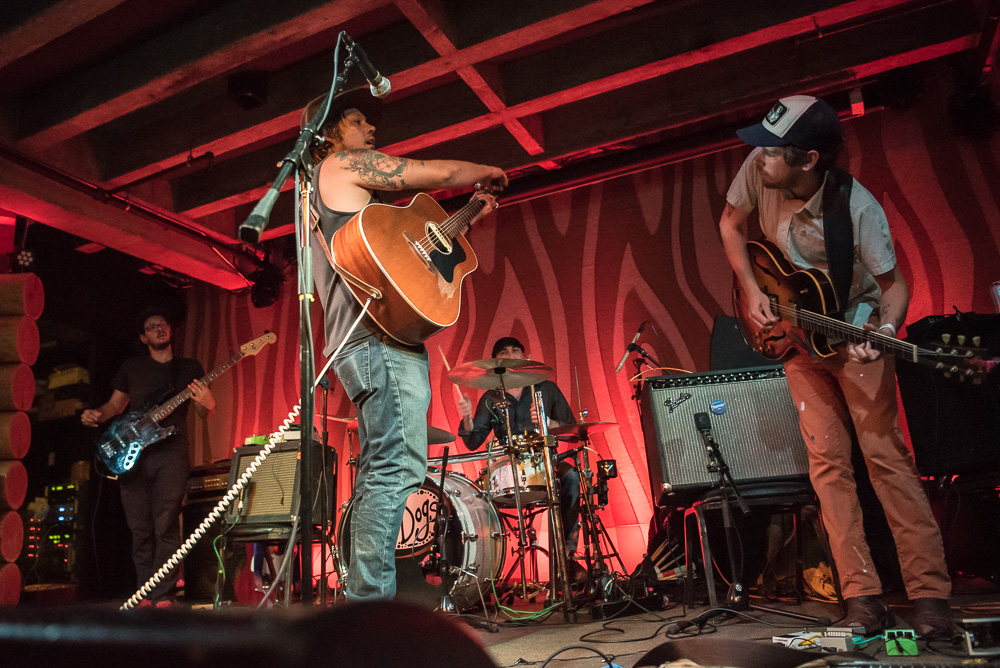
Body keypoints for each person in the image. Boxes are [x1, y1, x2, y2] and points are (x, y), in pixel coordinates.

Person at [718, 95, 952, 637]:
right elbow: (732, 225)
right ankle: (862, 596)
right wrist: (753, 291)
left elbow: (895, 287)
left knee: (885, 460)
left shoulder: (858, 208)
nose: (758, 157)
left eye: (773, 151)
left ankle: (930, 594)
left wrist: (885, 333)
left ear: (809, 159)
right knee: (828, 468)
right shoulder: (760, 166)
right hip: (796, 339)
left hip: (852, 331)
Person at [304, 87, 506, 601]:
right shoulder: (339, 165)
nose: (371, 130)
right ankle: (368, 611)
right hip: (378, 341)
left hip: (365, 344)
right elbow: (430, 174)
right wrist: (484, 168)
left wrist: (467, 215)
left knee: (386, 469)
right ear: (330, 132)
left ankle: (365, 608)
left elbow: (406, 252)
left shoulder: (320, 200)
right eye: (357, 120)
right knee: (394, 471)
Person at [81, 308, 215, 606]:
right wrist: (96, 415)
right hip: (133, 454)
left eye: (164, 324)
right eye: (152, 327)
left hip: (171, 454)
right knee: (139, 528)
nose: (160, 329)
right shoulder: (132, 367)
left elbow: (204, 411)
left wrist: (208, 401)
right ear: (143, 337)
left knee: (166, 524)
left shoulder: (189, 366)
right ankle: (144, 593)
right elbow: (115, 407)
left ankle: (164, 594)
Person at [456, 336, 584, 580]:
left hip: (546, 462)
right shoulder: (490, 398)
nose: (511, 354)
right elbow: (473, 442)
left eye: (516, 350)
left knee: (571, 477)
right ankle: (482, 572)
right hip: (508, 468)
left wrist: (549, 423)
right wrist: (467, 420)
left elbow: (573, 432)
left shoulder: (546, 388)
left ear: (525, 357)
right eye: (505, 351)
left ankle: (567, 558)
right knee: (475, 497)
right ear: (497, 361)